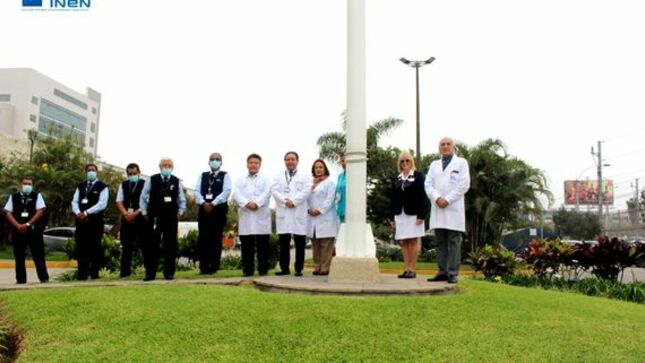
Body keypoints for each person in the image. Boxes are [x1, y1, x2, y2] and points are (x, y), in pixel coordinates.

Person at [425, 137, 470, 284]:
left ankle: (452, 273)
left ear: (453, 147)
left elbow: (464, 185)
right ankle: (442, 272)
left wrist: (448, 199)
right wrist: (437, 198)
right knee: (440, 242)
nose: (445, 147)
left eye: (448, 144)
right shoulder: (434, 165)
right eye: (442, 144)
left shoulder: (461, 163)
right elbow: (428, 184)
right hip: (438, 208)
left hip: (453, 208)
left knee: (454, 242)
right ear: (439, 148)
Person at [140, 157, 186, 281]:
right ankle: (150, 273)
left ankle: (169, 273)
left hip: (171, 217)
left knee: (170, 245)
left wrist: (180, 212)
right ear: (160, 167)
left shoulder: (176, 181)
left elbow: (182, 199)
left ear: (172, 167)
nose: (167, 167)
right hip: (154, 216)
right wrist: (144, 212)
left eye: (169, 165)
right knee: (152, 245)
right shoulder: (152, 179)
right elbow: (143, 197)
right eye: (164, 165)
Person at [272, 151, 312, 276]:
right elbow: (274, 190)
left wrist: (294, 201)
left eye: (292, 159)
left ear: (297, 161)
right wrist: (285, 201)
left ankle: (299, 269)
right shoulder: (278, 176)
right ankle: (284, 268)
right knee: (284, 242)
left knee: (300, 242)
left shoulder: (305, 176)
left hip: (298, 210)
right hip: (284, 211)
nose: (290, 161)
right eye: (288, 159)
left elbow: (307, 190)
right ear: (285, 161)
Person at [3, 176, 49, 284]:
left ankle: (44, 279)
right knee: (19, 257)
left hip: (33, 230)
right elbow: (7, 212)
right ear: (21, 185)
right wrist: (18, 225)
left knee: (39, 255)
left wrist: (28, 224)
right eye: (25, 184)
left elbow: (40, 211)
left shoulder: (37, 196)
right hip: (18, 231)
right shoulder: (13, 197)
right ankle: (21, 280)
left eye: (29, 184)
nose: (27, 186)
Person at [233, 154, 272, 276]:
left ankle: (263, 270)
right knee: (246, 246)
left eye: (256, 163)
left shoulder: (266, 179)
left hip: (261, 215)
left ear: (259, 165)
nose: (253, 165)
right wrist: (247, 203)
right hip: (246, 214)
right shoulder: (240, 179)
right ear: (247, 164)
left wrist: (257, 203)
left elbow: (267, 193)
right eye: (251, 162)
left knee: (263, 246)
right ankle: (248, 270)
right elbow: (236, 194)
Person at [390, 150, 427, 279]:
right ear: (399, 163)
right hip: (400, 214)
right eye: (402, 161)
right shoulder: (397, 178)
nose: (405, 163)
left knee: (413, 240)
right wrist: (392, 217)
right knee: (404, 242)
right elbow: (393, 199)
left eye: (407, 160)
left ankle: (412, 268)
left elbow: (422, 196)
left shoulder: (418, 176)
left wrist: (421, 215)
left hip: (414, 214)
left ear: (412, 162)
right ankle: (406, 269)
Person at [195, 152, 231, 274]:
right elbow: (196, 191)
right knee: (203, 239)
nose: (215, 161)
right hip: (203, 210)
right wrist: (203, 203)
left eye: (217, 159)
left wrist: (213, 203)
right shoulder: (202, 175)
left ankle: (214, 267)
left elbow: (226, 191)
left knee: (216, 239)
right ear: (208, 161)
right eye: (212, 159)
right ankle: (203, 267)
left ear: (221, 162)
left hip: (218, 211)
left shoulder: (225, 176)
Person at [71, 163, 109, 280]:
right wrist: (79, 213)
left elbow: (102, 204)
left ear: (96, 172)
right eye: (89, 170)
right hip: (81, 222)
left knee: (95, 248)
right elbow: (74, 202)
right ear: (86, 172)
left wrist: (86, 213)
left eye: (93, 170)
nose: (91, 172)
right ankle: (81, 275)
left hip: (95, 222)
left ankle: (94, 275)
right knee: (82, 248)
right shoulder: (80, 186)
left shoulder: (102, 187)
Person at [115, 163, 146, 278]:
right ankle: (124, 273)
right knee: (126, 247)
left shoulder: (145, 184)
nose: (132, 175)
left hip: (141, 219)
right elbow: (119, 201)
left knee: (145, 246)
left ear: (139, 173)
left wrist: (135, 213)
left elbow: (146, 201)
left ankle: (149, 272)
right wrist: (126, 214)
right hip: (127, 220)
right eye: (130, 174)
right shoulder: (123, 185)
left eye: (134, 173)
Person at [307, 159, 337, 275]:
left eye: (320, 167)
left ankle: (325, 268)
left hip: (325, 217)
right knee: (315, 244)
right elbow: (304, 198)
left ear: (325, 169)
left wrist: (319, 210)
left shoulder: (330, 183)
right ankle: (316, 266)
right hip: (312, 217)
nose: (318, 169)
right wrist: (308, 209)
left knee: (326, 245)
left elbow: (330, 199)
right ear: (313, 170)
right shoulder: (310, 183)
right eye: (316, 167)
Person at [335, 153, 346, 223]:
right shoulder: (340, 176)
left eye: (344, 160)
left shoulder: (355, 175)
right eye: (341, 161)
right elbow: (337, 191)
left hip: (350, 209)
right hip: (340, 207)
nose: (343, 163)